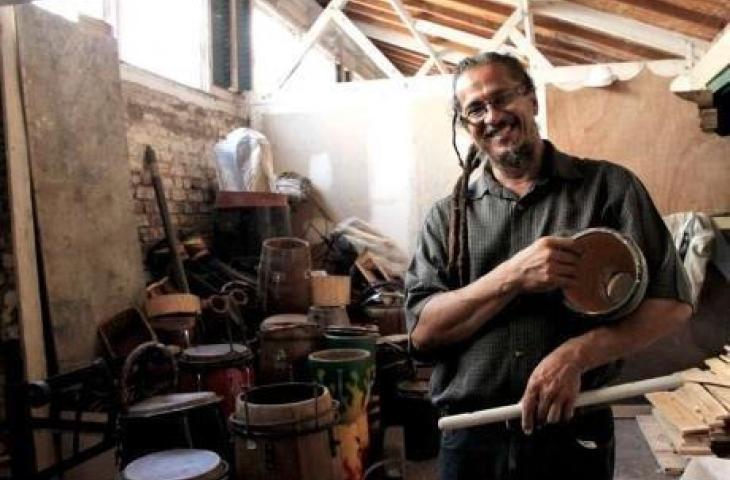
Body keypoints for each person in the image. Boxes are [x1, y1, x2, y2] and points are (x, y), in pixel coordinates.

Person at [404, 52, 693, 480]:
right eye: (476, 109)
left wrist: (576, 356)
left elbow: (672, 303)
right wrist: (513, 276)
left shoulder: (608, 189)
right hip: (472, 439)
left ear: (532, 100)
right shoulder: (446, 218)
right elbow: (424, 334)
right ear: (466, 125)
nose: (493, 116)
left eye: (503, 98)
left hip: (573, 432)